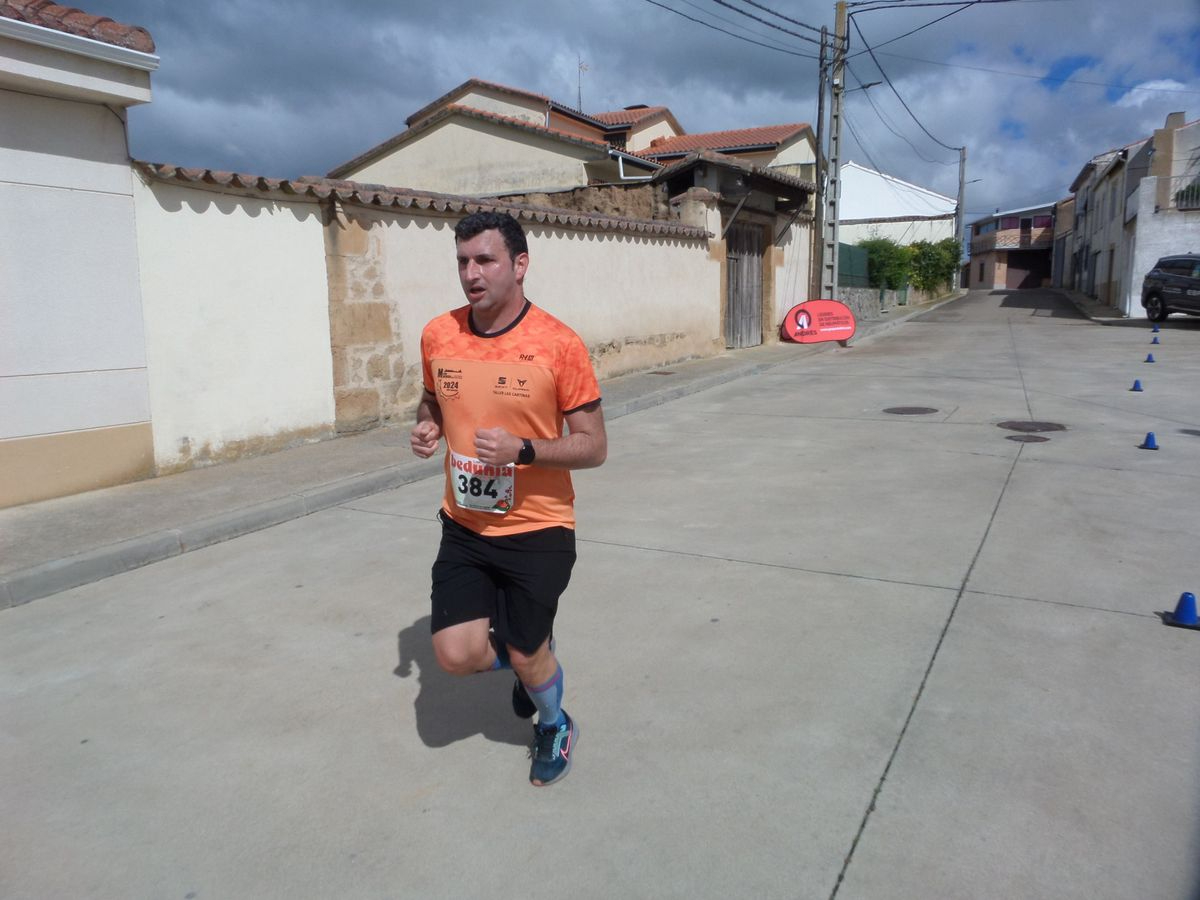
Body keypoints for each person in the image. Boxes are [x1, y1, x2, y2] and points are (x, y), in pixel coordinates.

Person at [410, 210, 607, 786]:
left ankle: (553, 720)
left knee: (524, 652)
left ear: (519, 265)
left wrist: (524, 450)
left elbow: (594, 446)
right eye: (463, 261)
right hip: (464, 525)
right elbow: (433, 398)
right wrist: (428, 424)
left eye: (485, 260)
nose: (471, 274)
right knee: (455, 655)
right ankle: (533, 656)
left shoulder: (558, 345)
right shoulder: (438, 334)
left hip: (539, 529)